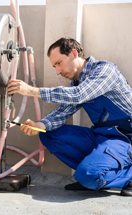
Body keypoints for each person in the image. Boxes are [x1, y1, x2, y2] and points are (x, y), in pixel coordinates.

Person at [7, 37, 132, 196]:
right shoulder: (76, 82)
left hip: (125, 139)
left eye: (59, 63)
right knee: (48, 134)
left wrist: (32, 91)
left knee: (87, 175)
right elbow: (63, 111)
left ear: (74, 53)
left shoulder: (105, 71)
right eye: (55, 66)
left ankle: (107, 176)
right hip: (101, 136)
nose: (58, 71)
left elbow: (78, 95)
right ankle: (92, 174)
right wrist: (41, 125)